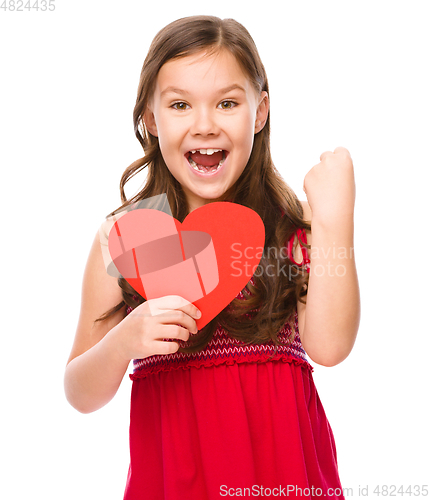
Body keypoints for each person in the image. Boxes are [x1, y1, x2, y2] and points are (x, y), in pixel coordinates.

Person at [64, 15, 360, 500]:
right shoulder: (125, 239)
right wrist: (123, 342)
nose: (204, 124)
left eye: (227, 103)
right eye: (180, 105)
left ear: (259, 112)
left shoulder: (293, 229)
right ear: (151, 120)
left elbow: (329, 348)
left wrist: (334, 223)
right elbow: (79, 392)